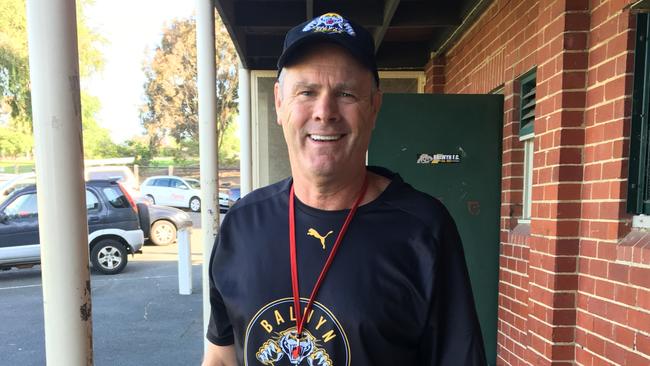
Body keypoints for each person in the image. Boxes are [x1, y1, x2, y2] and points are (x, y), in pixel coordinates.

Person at [203, 12, 486, 366]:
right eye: (307, 92)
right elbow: (220, 355)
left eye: (346, 93)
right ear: (279, 103)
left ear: (374, 107)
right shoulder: (241, 224)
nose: (325, 111)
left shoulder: (423, 230)